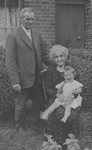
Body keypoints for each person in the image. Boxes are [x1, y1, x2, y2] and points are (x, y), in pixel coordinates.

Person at [6, 7, 50, 130]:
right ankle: (18, 125)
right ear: (21, 19)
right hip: (23, 78)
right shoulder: (13, 36)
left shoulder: (37, 34)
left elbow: (44, 55)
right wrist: (15, 81)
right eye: (27, 19)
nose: (30, 21)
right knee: (20, 104)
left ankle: (40, 123)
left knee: (40, 102)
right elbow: (10, 61)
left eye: (32, 19)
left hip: (37, 77)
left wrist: (58, 64)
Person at [43, 44, 82, 146]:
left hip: (71, 99)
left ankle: (72, 141)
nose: (59, 59)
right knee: (60, 113)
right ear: (53, 58)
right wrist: (57, 95)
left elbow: (78, 85)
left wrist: (73, 95)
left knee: (72, 115)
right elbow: (48, 88)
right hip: (57, 98)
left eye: (61, 56)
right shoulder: (51, 70)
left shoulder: (71, 68)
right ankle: (58, 141)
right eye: (56, 57)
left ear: (65, 56)